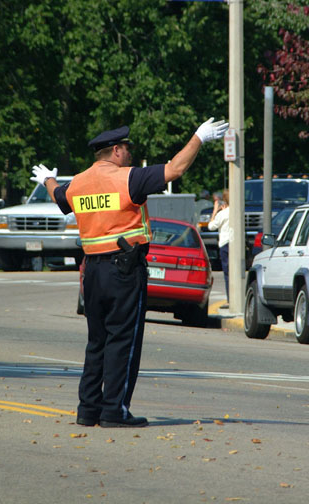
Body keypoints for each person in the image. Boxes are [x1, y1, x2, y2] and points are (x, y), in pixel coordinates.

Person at [30, 117, 228, 428]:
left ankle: (88, 410)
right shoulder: (128, 178)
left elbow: (59, 197)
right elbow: (175, 169)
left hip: (92, 273)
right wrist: (199, 137)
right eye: (127, 148)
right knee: (123, 341)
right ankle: (114, 411)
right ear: (116, 151)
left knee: (97, 341)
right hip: (123, 271)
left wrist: (47, 180)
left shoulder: (79, 182)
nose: (130, 153)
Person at [208, 189, 230, 304]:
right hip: (236, 243)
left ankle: (230, 299)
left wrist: (215, 211)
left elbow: (211, 226)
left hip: (225, 243)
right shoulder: (238, 211)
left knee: (227, 273)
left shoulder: (222, 214)